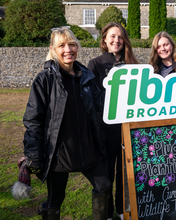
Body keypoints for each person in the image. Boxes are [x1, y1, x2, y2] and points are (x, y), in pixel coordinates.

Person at [22, 27, 110, 220]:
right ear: (53, 49)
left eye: (72, 44)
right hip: (59, 153)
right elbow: (33, 119)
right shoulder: (44, 80)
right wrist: (34, 154)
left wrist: (123, 89)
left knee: (103, 185)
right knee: (55, 199)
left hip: (88, 149)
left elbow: (103, 103)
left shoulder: (86, 77)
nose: (68, 49)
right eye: (62, 45)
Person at [88, 22, 138, 220]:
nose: (116, 40)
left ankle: (122, 209)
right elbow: (92, 98)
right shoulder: (96, 64)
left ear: (124, 40)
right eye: (112, 36)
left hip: (128, 128)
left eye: (120, 36)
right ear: (104, 40)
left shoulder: (134, 65)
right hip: (106, 129)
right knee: (107, 171)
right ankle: (107, 213)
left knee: (126, 173)